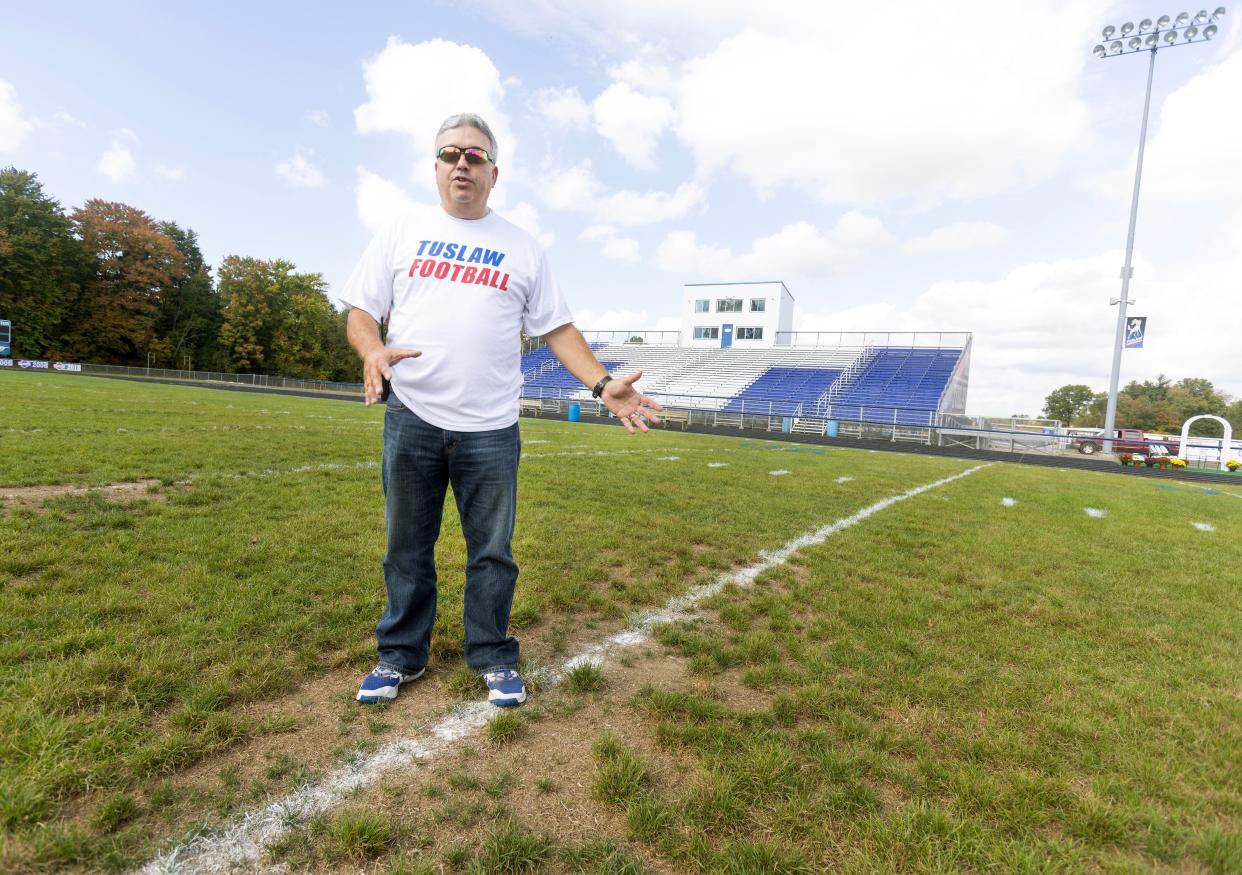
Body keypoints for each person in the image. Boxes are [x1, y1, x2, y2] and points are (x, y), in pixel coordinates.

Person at [339, 112, 663, 708]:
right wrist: (372, 347)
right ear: (435, 167)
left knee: (493, 551)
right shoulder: (400, 231)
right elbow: (361, 310)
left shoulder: (522, 247)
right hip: (412, 416)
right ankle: (399, 657)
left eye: (475, 155)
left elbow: (556, 328)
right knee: (406, 546)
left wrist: (601, 384)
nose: (462, 163)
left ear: (494, 172)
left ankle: (491, 654)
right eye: (450, 154)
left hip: (490, 427)